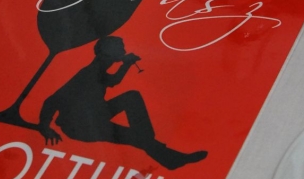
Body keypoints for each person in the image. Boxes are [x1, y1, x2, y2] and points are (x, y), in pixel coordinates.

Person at [37, 36, 208, 171]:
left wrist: (126, 64)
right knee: (137, 133)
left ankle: (159, 150)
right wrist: (45, 127)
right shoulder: (89, 73)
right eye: (120, 48)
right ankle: (162, 152)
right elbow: (52, 100)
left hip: (95, 115)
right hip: (81, 125)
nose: (124, 50)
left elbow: (113, 81)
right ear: (107, 52)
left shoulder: (97, 71)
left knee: (131, 99)